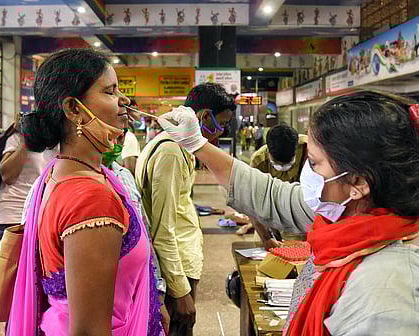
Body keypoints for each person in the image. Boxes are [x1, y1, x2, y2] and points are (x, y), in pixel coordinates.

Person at [158, 91, 419, 335]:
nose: (307, 174)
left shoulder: (392, 297)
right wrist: (197, 144)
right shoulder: (357, 219)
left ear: (358, 182)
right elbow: (273, 196)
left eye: (316, 164)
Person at [7, 48, 163, 336]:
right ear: (74, 109)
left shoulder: (63, 171)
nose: (124, 102)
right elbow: (89, 330)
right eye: (110, 91)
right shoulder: (91, 200)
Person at [136, 82, 235, 336]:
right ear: (204, 117)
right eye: (221, 123)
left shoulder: (178, 146)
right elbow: (163, 228)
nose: (221, 132)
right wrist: (180, 291)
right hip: (174, 273)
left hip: (179, 266)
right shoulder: (171, 151)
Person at [102, 143, 170, 335]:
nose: (120, 130)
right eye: (115, 119)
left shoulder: (123, 176)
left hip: (136, 300)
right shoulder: (62, 183)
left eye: (124, 119)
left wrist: (157, 295)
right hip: (106, 309)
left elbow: (144, 237)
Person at [236, 123, 308, 248]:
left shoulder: (310, 150)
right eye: (276, 163)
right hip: (270, 211)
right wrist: (265, 238)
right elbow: (250, 204)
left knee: (296, 249)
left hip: (299, 211)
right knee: (264, 248)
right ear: (268, 150)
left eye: (289, 163)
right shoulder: (259, 161)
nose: (282, 168)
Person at [0, 117, 57, 252]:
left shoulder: (58, 143)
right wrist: (26, 141)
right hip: (13, 217)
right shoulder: (17, 139)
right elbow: (7, 175)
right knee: (10, 273)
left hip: (40, 218)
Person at [118, 100, 141, 176]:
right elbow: (130, 170)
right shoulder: (129, 137)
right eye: (136, 110)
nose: (140, 114)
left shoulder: (123, 134)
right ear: (127, 113)